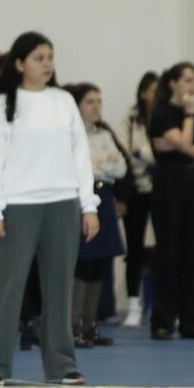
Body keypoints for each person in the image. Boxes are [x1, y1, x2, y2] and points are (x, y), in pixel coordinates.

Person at [0, 32, 98, 384]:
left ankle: (61, 364)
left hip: (62, 203)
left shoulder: (63, 102)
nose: (47, 64)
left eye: (50, 56)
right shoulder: (3, 105)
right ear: (20, 64)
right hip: (17, 205)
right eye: (39, 57)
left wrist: (88, 205)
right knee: (8, 288)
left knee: (60, 286)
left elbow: (81, 156)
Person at [147, 62, 194, 339]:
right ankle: (162, 320)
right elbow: (187, 144)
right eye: (187, 80)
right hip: (167, 183)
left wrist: (183, 145)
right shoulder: (162, 112)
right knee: (168, 253)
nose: (192, 86)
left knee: (191, 252)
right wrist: (186, 118)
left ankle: (190, 319)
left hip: (190, 182)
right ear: (173, 83)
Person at [66, 82, 128, 348]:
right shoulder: (70, 134)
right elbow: (81, 169)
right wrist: (102, 165)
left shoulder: (104, 134)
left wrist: (100, 165)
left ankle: (91, 324)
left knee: (100, 263)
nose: (96, 107)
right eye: (90, 102)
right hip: (82, 198)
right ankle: (73, 325)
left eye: (99, 101)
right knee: (83, 262)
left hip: (104, 198)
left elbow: (121, 167)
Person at [116, 71, 157, 327]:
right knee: (135, 250)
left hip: (161, 190)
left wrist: (144, 153)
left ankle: (162, 304)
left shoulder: (167, 118)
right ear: (143, 93)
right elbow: (123, 154)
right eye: (154, 90)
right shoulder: (129, 123)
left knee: (163, 250)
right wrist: (144, 155)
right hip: (136, 192)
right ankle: (133, 304)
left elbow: (167, 153)